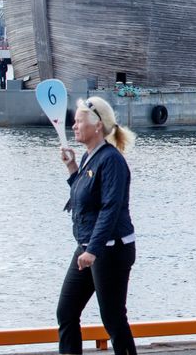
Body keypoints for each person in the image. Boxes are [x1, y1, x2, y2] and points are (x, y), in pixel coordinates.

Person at [57, 97, 138, 355]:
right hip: (88, 246)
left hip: (110, 248)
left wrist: (93, 250)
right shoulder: (88, 157)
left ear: (97, 126)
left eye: (79, 121)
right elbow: (84, 196)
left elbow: (110, 209)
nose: (74, 126)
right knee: (66, 311)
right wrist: (72, 168)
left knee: (113, 317)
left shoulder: (111, 160)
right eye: (74, 122)